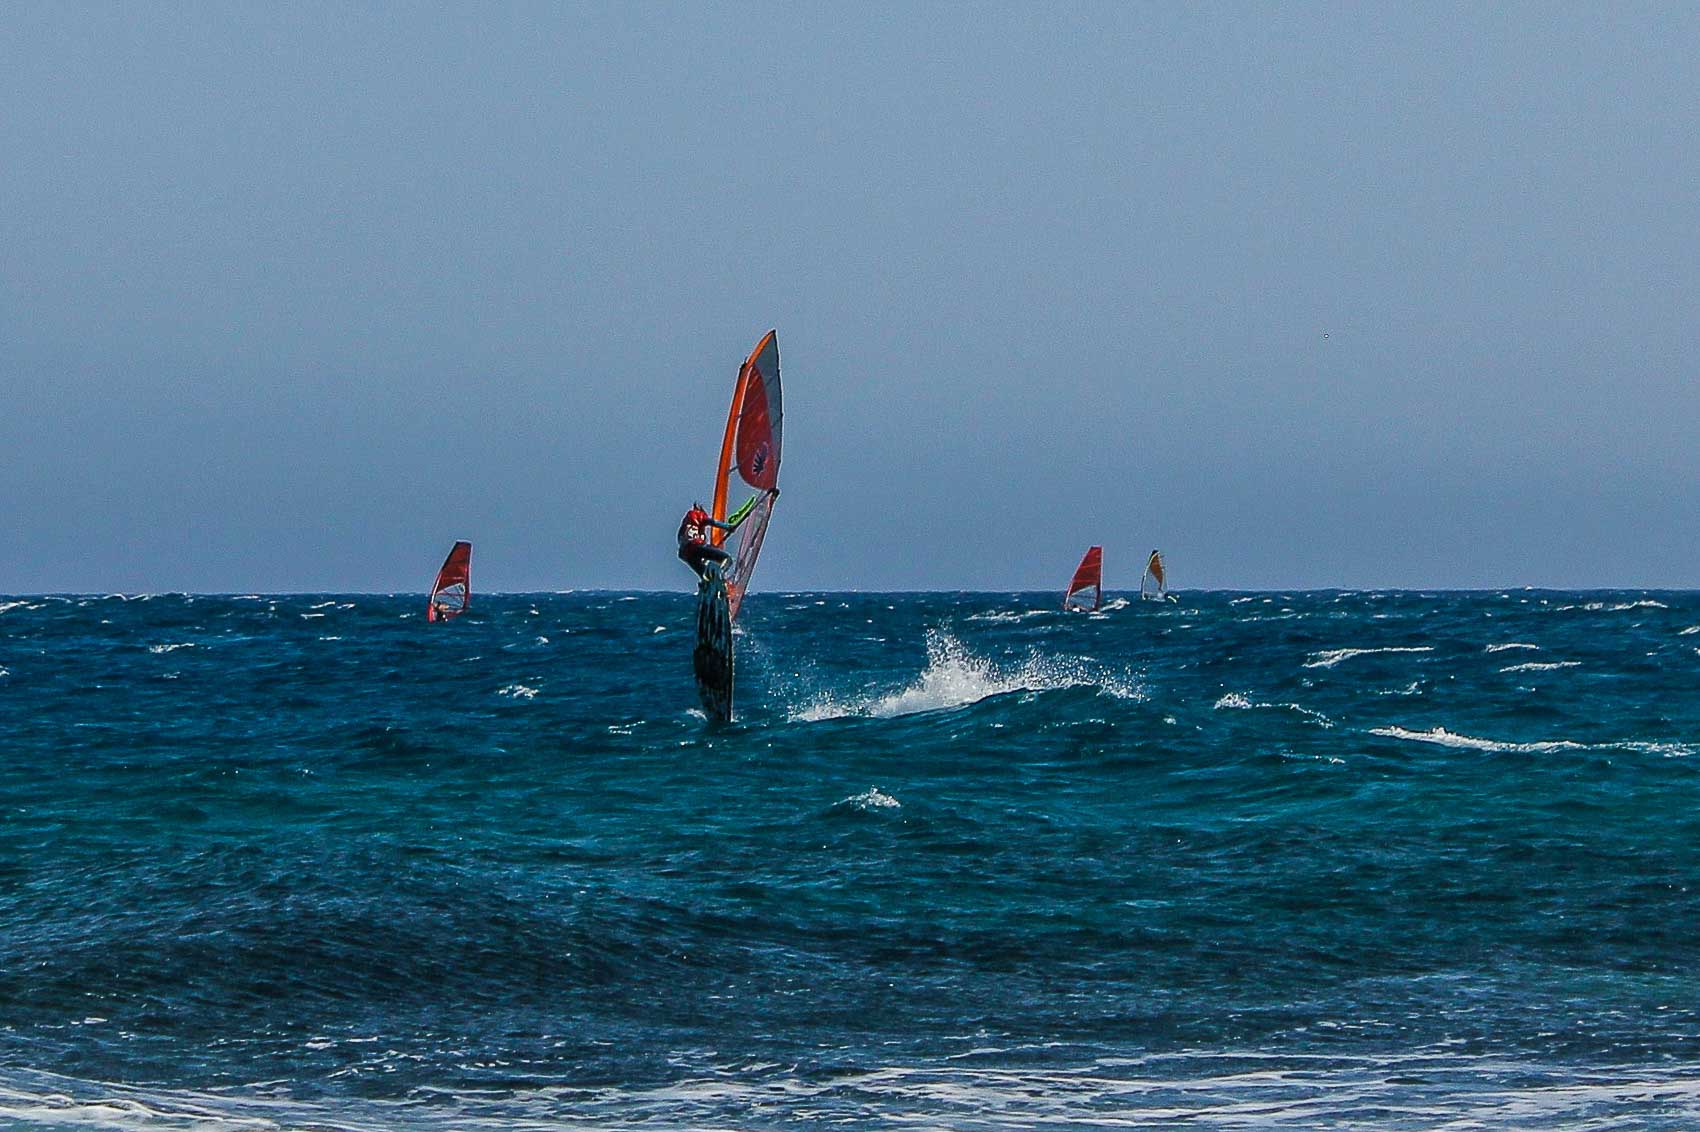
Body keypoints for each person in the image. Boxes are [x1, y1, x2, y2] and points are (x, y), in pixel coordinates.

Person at [677, 492, 772, 579]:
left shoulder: (684, 528)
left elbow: (685, 549)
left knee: (705, 576)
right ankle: (721, 576)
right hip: (695, 548)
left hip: (687, 555)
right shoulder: (696, 515)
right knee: (727, 559)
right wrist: (728, 527)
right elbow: (710, 522)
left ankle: (707, 589)